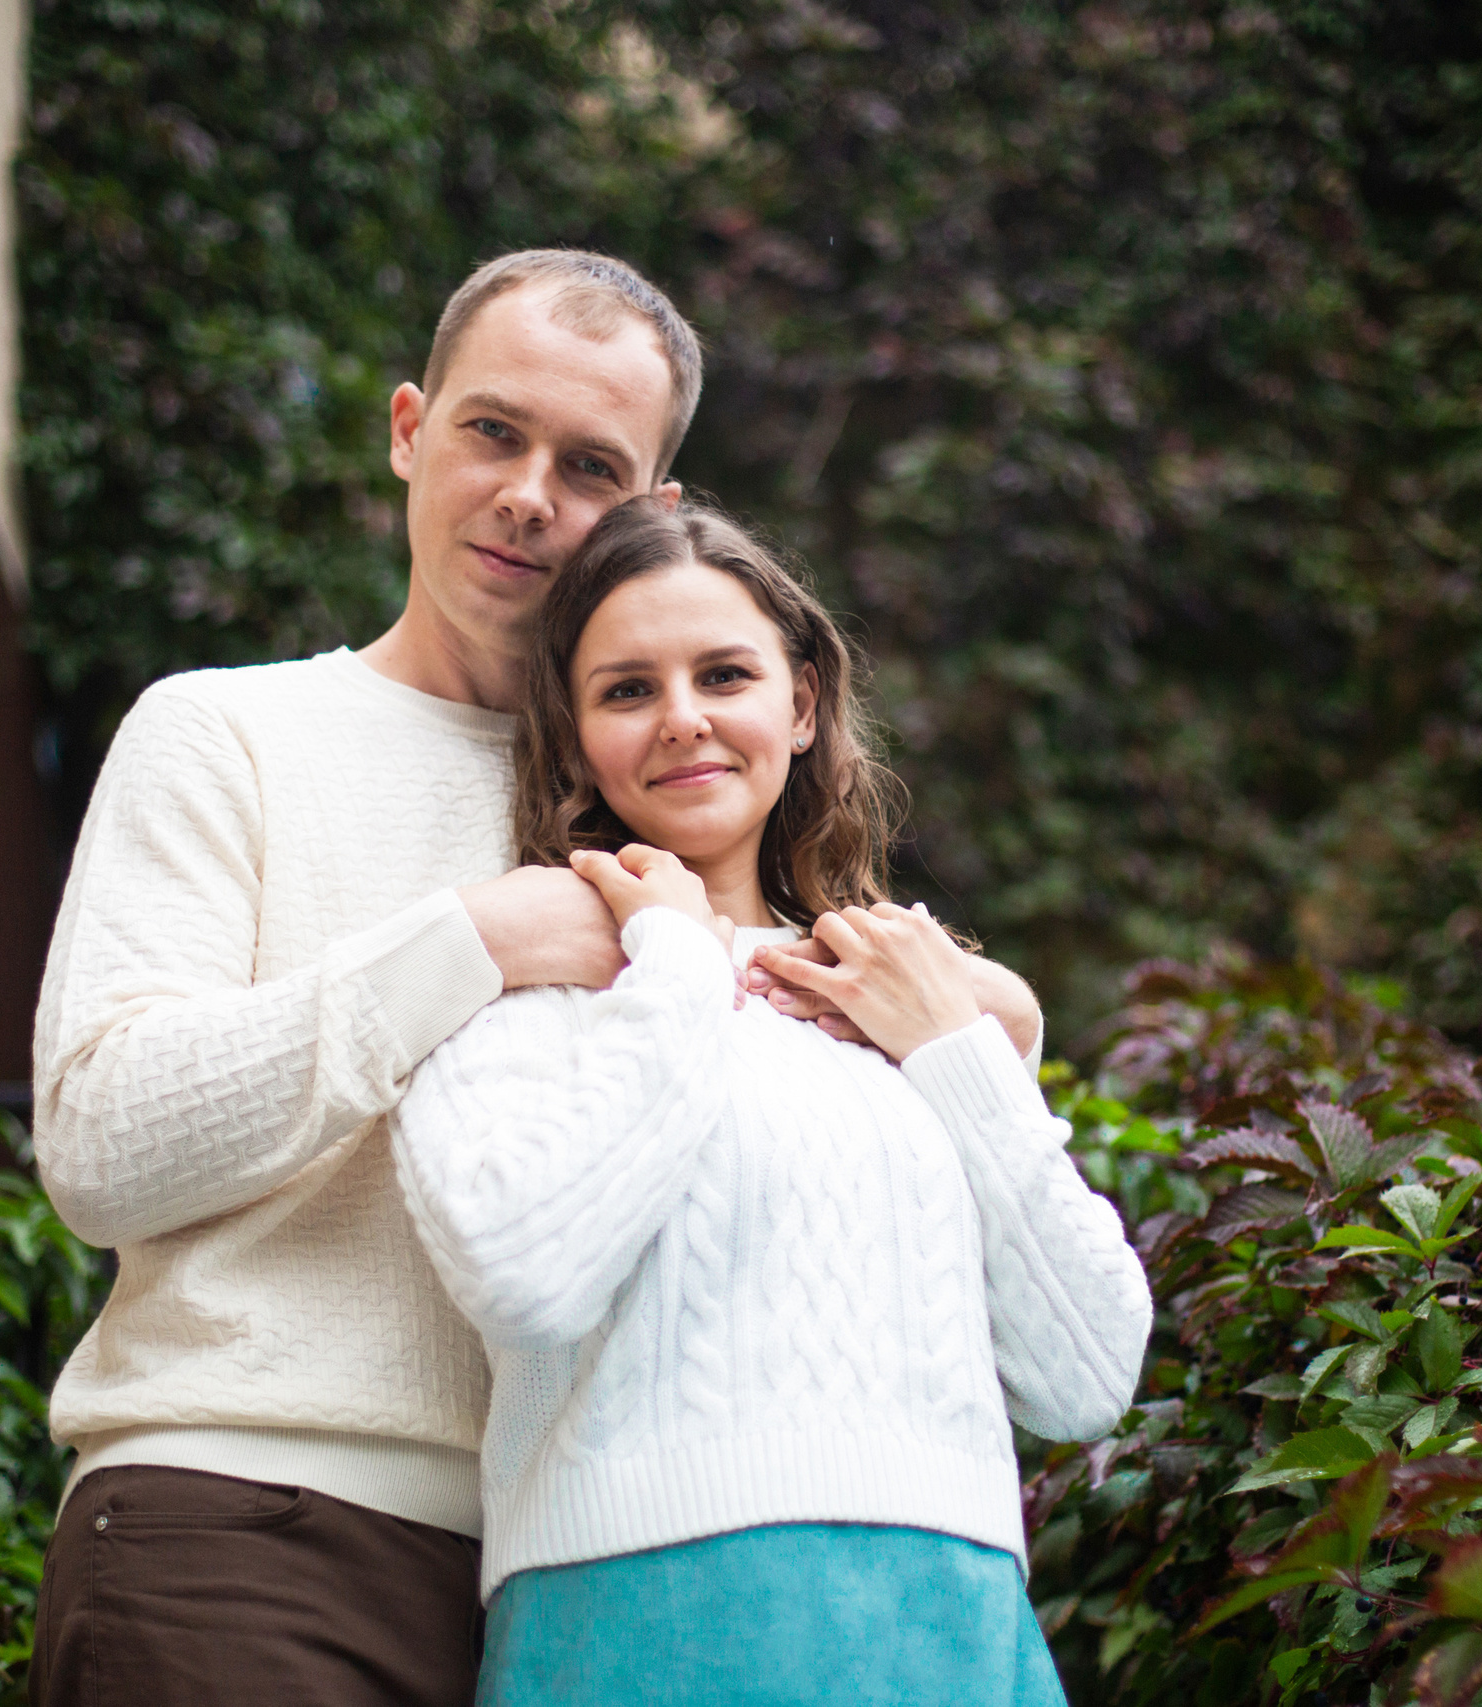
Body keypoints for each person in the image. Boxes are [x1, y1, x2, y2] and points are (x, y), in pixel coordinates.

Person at [27, 250, 1047, 1707]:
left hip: (603, 1593)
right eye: (491, 431)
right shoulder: (226, 734)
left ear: (654, 516)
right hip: (251, 1521)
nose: (526, 493)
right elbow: (102, 1143)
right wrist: (472, 944)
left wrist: (996, 1025)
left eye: (588, 464)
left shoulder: (675, 795)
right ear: (406, 428)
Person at [391, 496, 1152, 1705]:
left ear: (800, 705)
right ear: (577, 736)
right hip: (637, 1624)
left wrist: (955, 1045)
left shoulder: (904, 1000)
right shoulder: (522, 996)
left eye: (724, 673)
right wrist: (684, 966)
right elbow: (522, 1276)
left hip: (952, 1632)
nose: (683, 717)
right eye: (626, 689)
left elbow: (1086, 1373)